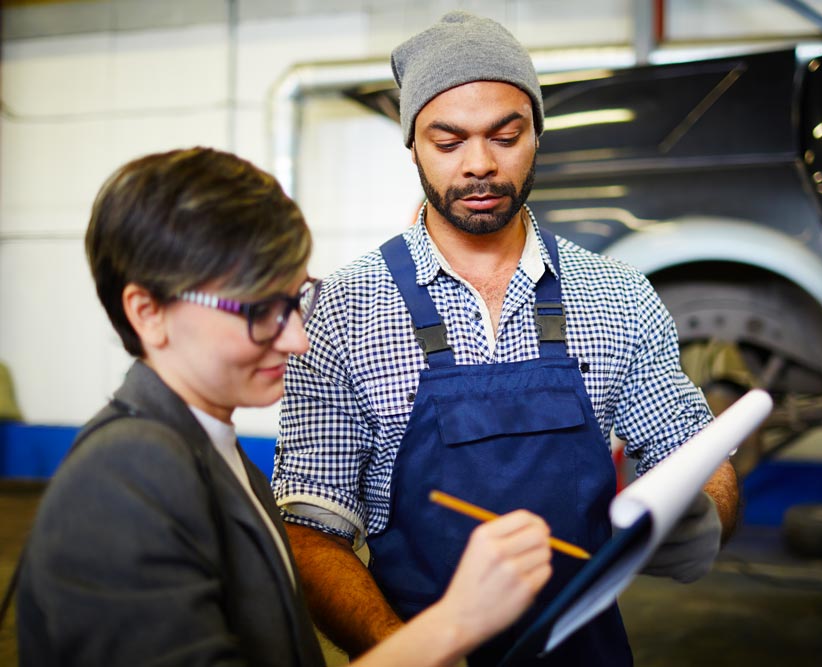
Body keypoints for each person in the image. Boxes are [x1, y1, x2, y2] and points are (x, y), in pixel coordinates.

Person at [272, 10, 739, 666]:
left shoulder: (619, 295)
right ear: (412, 144)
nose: (481, 164)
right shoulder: (345, 309)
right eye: (449, 140)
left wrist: (700, 515)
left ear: (537, 134)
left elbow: (696, 454)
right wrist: (408, 652)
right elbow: (310, 532)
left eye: (505, 134)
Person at [16, 147, 553, 666]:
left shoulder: (215, 456)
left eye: (297, 300)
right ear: (148, 311)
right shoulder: (122, 478)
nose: (298, 339)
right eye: (260, 311)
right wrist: (455, 623)